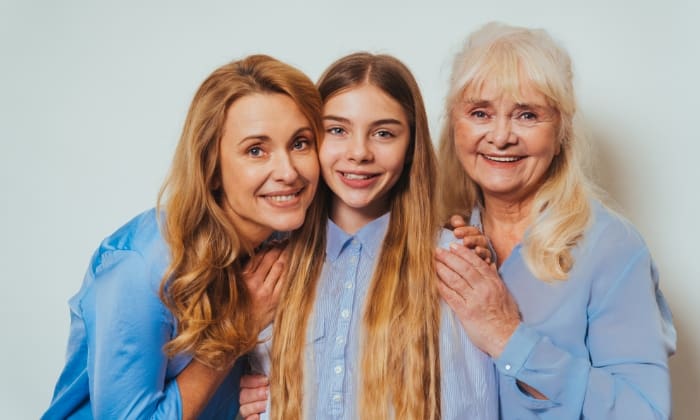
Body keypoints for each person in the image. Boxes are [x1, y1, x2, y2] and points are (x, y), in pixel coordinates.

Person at [42, 54, 323, 419]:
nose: (287, 171)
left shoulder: (277, 244)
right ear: (212, 169)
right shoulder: (142, 266)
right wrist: (239, 327)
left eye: (300, 143)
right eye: (256, 150)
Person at [434, 22, 676, 419]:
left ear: (561, 131)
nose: (500, 136)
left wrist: (507, 336)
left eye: (527, 115)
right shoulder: (442, 237)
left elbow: (642, 411)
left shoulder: (611, 247)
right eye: (480, 112)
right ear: (454, 123)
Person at [239, 52, 498, 420]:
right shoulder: (271, 266)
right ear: (309, 139)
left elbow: (471, 408)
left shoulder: (451, 263)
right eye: (337, 130)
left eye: (383, 133)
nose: (359, 152)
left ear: (411, 148)